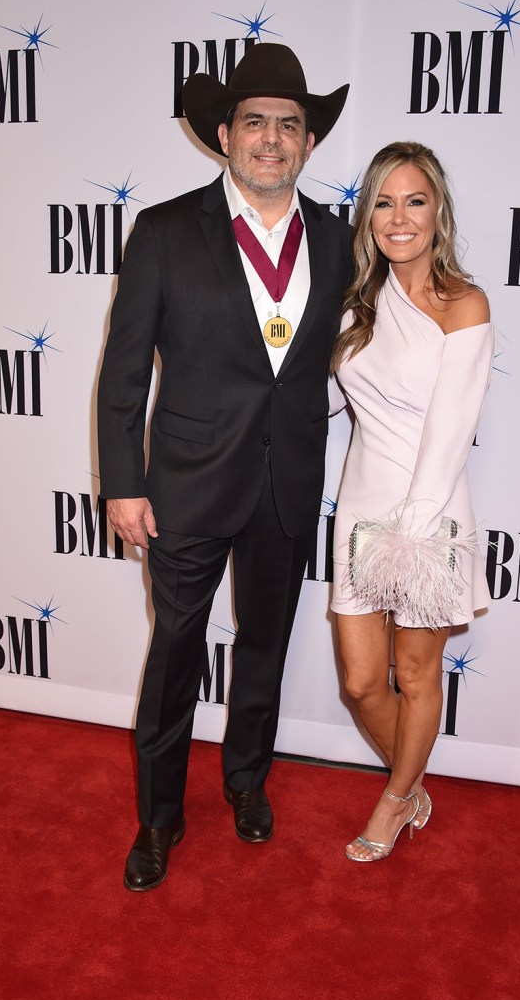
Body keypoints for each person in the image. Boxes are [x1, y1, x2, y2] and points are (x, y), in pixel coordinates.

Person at [97, 44, 350, 890]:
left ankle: (246, 779)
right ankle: (158, 818)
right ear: (223, 134)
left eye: (289, 124)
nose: (271, 139)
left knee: (266, 645)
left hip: (287, 487)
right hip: (186, 487)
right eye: (255, 123)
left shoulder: (338, 237)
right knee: (175, 652)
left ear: (308, 142)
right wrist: (122, 483)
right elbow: (125, 370)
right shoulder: (165, 230)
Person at [329, 141, 494, 862]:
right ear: (368, 216)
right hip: (360, 506)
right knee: (363, 683)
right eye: (384, 202)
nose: (400, 217)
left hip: (428, 515)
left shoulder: (465, 303)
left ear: (438, 213)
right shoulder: (354, 303)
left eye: (415, 200)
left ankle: (396, 800)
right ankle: (415, 781)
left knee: (417, 673)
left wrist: (414, 536)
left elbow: (453, 429)